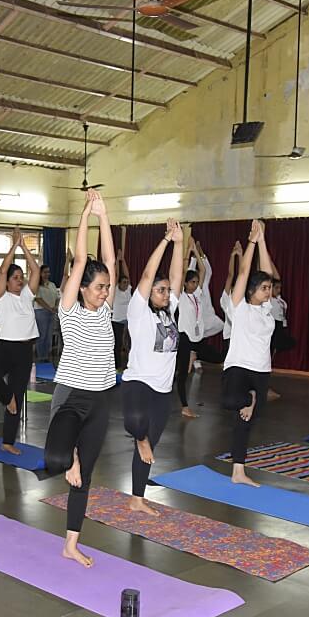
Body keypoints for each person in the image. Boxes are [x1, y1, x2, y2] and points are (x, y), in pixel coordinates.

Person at [41, 189, 117, 567]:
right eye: (99, 287)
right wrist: (86, 213)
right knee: (57, 460)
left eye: (107, 286)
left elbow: (107, 258)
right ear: (83, 287)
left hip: (101, 399)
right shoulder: (70, 309)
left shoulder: (105, 311)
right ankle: (68, 454)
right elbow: (84, 258)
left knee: (84, 476)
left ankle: (71, 543)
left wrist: (105, 216)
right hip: (71, 395)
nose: (105, 292)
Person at [121, 218, 184, 516]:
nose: (165, 293)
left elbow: (176, 275)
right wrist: (165, 241)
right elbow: (148, 273)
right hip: (138, 381)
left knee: (148, 449)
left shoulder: (169, 311)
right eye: (160, 290)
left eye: (167, 290)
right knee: (135, 424)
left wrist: (181, 243)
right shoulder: (138, 311)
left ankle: (137, 498)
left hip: (162, 389)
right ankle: (141, 437)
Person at [220, 220, 278, 487]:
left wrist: (264, 239)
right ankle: (249, 397)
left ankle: (238, 472)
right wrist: (252, 243)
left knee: (247, 420)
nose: (269, 292)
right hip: (239, 366)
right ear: (252, 290)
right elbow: (244, 274)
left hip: (261, 369)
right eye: (264, 288)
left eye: (270, 288)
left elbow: (267, 272)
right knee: (233, 401)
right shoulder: (239, 307)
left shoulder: (267, 308)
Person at [0, 229, 40, 456]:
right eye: (15, 278)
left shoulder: (27, 295)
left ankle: (8, 441)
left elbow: (34, 270)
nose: (20, 280)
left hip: (25, 349)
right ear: (6, 282)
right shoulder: (1, 297)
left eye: (20, 278)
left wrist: (25, 247)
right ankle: (7, 398)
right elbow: (4, 270)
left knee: (19, 394)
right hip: (5, 346)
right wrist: (13, 246)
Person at [174, 240, 224, 418]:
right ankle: (185, 406)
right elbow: (181, 272)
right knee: (182, 375)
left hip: (198, 338)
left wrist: (196, 250)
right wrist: (188, 253)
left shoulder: (197, 294)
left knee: (219, 358)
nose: (195, 285)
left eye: (196, 282)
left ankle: (194, 355)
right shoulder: (180, 296)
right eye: (192, 282)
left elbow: (203, 271)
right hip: (185, 338)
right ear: (185, 284)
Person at [219, 240, 242, 356]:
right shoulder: (225, 300)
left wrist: (241, 254)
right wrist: (233, 256)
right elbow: (230, 275)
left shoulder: (244, 300)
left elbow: (243, 275)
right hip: (229, 336)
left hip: (242, 336)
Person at [33, 264, 59, 362]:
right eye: (45, 272)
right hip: (41, 312)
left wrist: (55, 306)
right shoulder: (37, 285)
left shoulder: (52, 284)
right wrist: (49, 308)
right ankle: (40, 357)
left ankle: (46, 357)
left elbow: (57, 297)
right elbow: (38, 299)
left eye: (48, 272)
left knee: (49, 336)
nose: (47, 274)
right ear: (40, 273)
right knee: (42, 335)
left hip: (51, 312)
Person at [111, 256, 133, 370]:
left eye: (127, 282)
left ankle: (131, 365)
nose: (126, 284)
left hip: (128, 321)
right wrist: (117, 263)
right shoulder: (115, 290)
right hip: (117, 321)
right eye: (123, 282)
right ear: (119, 283)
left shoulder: (129, 289)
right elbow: (116, 275)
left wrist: (123, 260)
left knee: (129, 345)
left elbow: (127, 274)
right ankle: (117, 366)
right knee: (117, 345)